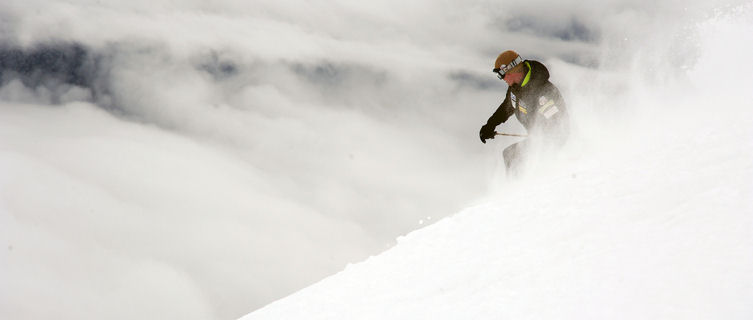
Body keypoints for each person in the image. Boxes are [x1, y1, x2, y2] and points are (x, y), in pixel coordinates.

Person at [479, 50, 570, 174]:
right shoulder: (515, 89)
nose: (502, 79)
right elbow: (506, 109)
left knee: (512, 156)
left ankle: (524, 188)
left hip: (556, 141)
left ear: (511, 70)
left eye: (501, 75)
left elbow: (557, 123)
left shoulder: (544, 92)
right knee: (510, 154)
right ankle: (518, 187)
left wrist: (542, 137)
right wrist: (490, 125)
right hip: (540, 140)